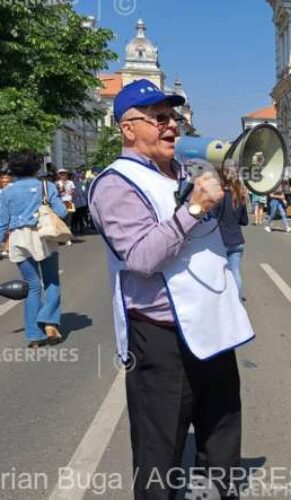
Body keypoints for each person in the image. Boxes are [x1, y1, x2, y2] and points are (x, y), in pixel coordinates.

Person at [88, 79, 254, 499]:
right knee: (159, 453)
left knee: (222, 442)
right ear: (128, 128)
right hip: (162, 339)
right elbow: (142, 257)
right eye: (158, 118)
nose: (171, 126)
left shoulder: (184, 171)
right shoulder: (114, 184)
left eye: (173, 117)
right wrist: (195, 207)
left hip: (213, 329)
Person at [0, 151, 67, 348]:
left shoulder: (7, 192)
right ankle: (49, 321)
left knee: (32, 285)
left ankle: (34, 335)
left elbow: (2, 224)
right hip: (43, 236)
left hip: (19, 239)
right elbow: (61, 212)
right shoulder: (47, 186)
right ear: (36, 167)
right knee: (51, 281)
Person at [214, 161, 249, 301]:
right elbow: (244, 221)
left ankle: (223, 302)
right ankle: (237, 301)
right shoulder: (239, 196)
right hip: (237, 240)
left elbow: (213, 218)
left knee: (218, 274)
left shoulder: (218, 196)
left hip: (220, 240)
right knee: (235, 273)